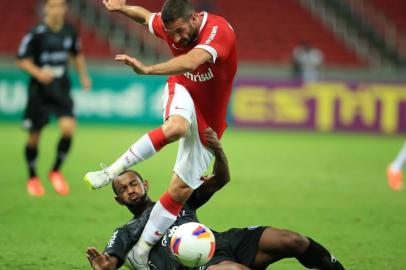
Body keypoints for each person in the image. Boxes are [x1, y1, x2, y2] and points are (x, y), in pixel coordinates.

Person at [84, 0, 237, 268]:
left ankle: (140, 251)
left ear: (193, 18)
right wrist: (120, 8)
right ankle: (110, 171)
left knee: (180, 190)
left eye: (180, 31)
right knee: (177, 127)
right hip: (183, 88)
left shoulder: (218, 29)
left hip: (210, 117)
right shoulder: (170, 25)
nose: (176, 38)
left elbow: (191, 61)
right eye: (171, 33)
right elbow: (145, 17)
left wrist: (148, 69)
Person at [86, 129, 345, 270]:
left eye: (133, 183)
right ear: (119, 200)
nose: (130, 190)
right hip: (195, 263)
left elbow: (221, 180)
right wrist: (104, 264)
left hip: (220, 241)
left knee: (293, 240)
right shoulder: (127, 231)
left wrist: (219, 152)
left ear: (145, 184)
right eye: (123, 189)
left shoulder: (177, 199)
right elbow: (111, 260)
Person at [16, 0, 91, 197]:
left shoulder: (69, 31)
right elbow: (21, 59)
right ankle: (32, 176)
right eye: (53, 6)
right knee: (34, 136)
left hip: (61, 88)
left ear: (65, 9)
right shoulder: (36, 33)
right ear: (46, 9)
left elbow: (77, 54)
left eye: (60, 6)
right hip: (39, 91)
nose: (57, 10)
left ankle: (55, 171)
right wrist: (38, 73)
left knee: (68, 130)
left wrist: (83, 75)